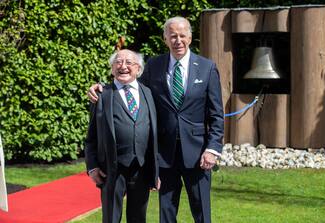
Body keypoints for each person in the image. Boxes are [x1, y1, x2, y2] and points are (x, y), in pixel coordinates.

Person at [88, 17, 224, 223]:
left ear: (190, 37)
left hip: (198, 154)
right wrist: (101, 87)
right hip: (164, 155)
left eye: (182, 35)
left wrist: (213, 149)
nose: (178, 40)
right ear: (165, 39)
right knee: (166, 212)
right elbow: (127, 85)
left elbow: (216, 114)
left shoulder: (207, 68)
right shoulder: (154, 66)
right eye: (172, 36)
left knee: (201, 210)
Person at [85, 49, 160, 223]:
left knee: (138, 218)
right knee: (111, 218)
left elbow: (154, 133)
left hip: (141, 168)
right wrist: (92, 166)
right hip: (111, 170)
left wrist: (155, 169)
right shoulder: (102, 95)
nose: (123, 66)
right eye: (118, 62)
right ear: (112, 68)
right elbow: (91, 136)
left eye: (129, 63)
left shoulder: (148, 93)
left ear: (138, 69)